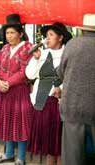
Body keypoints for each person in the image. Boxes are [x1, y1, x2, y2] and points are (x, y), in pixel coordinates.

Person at [26, 22, 72, 165]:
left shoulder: (68, 55)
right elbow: (30, 75)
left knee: (59, 144)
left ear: (60, 37)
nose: (48, 38)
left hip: (59, 104)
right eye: (46, 36)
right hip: (42, 103)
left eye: (51, 35)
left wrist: (63, 89)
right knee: (48, 143)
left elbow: (72, 77)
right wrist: (36, 59)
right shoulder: (43, 54)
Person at [0, 14, 33, 165]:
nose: (9, 35)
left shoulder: (28, 48)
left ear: (20, 33)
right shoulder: (4, 49)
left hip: (19, 92)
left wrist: (7, 82)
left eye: (12, 32)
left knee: (20, 123)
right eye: (7, 32)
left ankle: (21, 157)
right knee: (7, 121)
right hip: (3, 91)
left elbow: (25, 71)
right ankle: (8, 154)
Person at [57, 14, 95, 165]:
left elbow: (61, 72)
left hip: (72, 107)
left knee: (72, 158)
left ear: (83, 30)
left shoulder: (72, 44)